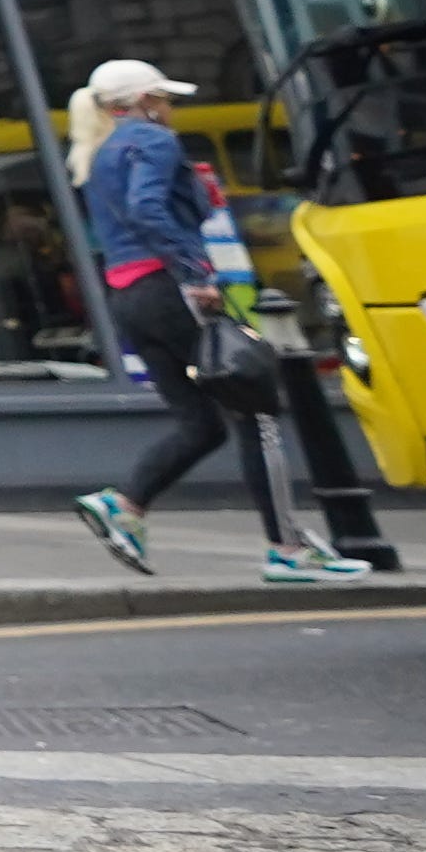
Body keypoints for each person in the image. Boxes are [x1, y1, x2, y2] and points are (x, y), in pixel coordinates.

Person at [64, 62, 367, 587]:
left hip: (130, 297)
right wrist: (197, 271)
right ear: (147, 100)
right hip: (172, 289)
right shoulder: (153, 141)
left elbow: (135, 215)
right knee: (257, 414)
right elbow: (147, 209)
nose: (171, 109)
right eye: (167, 99)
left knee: (200, 423)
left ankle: (125, 505)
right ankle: (287, 550)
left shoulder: (100, 152)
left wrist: (198, 200)